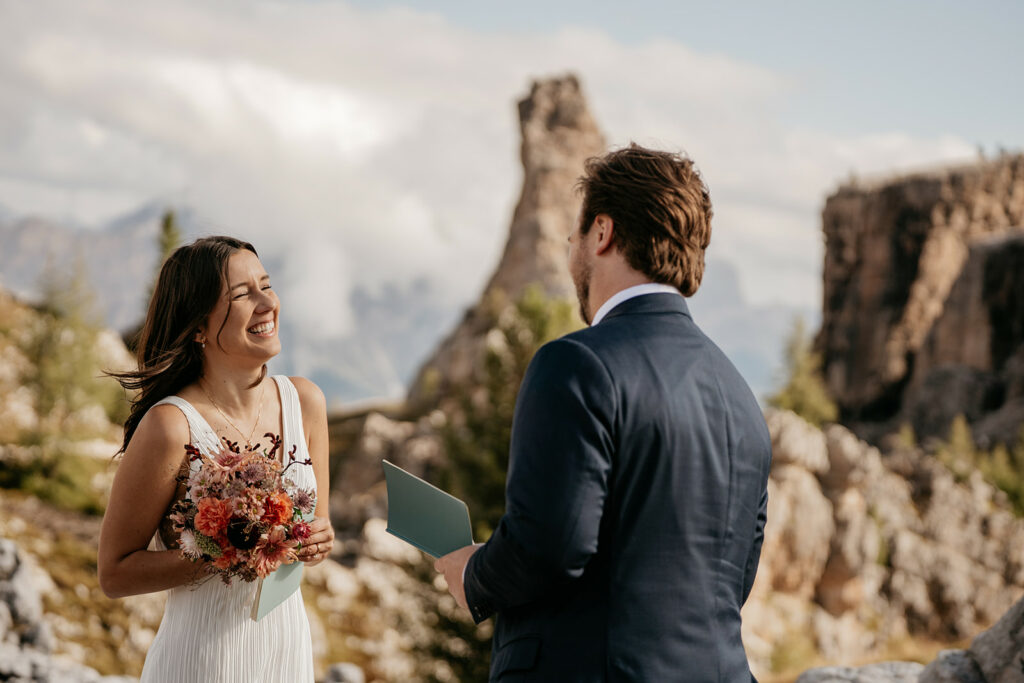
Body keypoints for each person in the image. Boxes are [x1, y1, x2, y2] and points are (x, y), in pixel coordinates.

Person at [435, 144, 772, 682]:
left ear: (601, 233)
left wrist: (472, 573)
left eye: (576, 232)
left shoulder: (575, 363)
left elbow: (551, 544)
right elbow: (732, 579)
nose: (572, 248)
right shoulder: (741, 397)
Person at [98, 236, 334, 682]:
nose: (267, 303)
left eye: (266, 285)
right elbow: (114, 574)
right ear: (198, 328)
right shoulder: (170, 427)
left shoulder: (306, 402)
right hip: (202, 660)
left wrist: (318, 538)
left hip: (286, 654)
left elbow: (317, 530)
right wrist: (223, 551)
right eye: (243, 294)